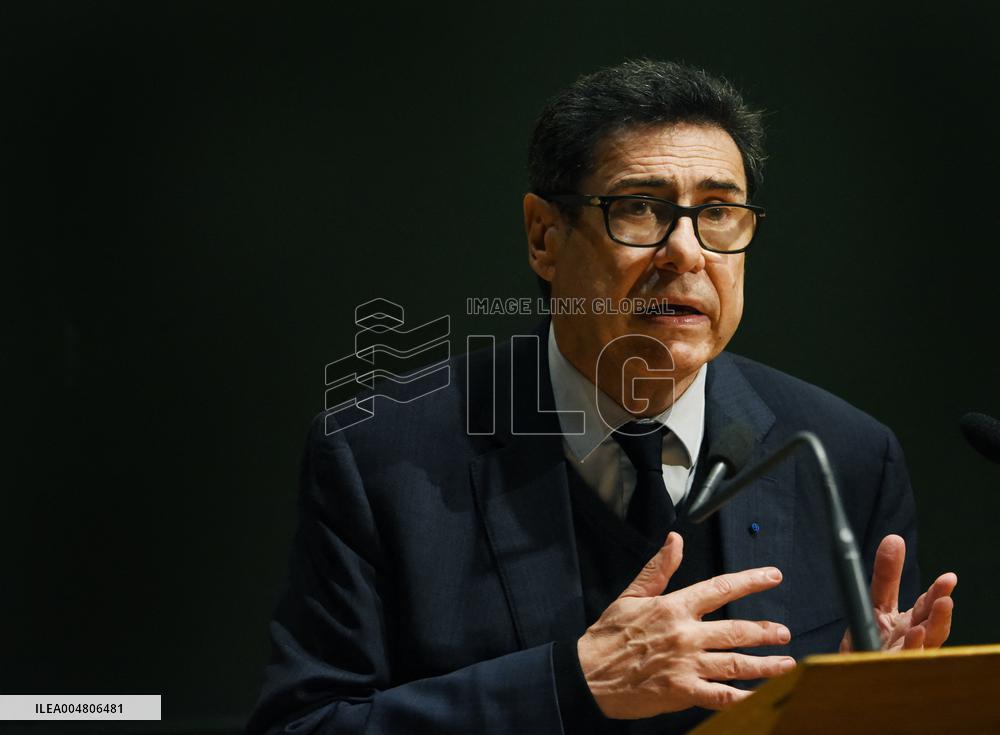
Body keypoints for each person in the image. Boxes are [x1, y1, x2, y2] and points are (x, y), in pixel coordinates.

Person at [247, 60, 957, 734]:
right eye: (640, 208)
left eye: (719, 213)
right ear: (544, 236)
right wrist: (571, 684)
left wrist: (867, 707)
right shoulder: (383, 458)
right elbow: (303, 723)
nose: (687, 252)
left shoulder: (846, 458)